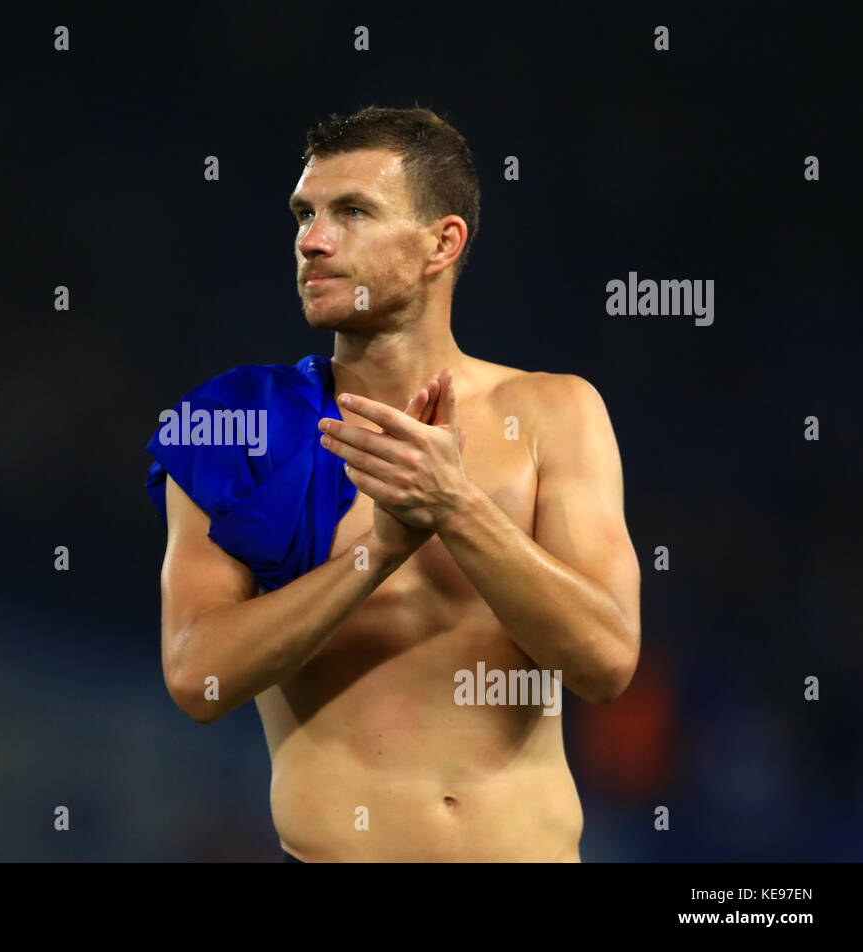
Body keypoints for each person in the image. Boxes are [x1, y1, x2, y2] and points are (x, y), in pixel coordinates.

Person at [145, 105, 640, 862]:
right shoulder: (237, 424)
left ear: (442, 242)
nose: (312, 240)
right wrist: (379, 552)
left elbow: (605, 663)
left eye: (352, 212)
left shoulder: (555, 413)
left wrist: (455, 506)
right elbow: (196, 676)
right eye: (304, 214)